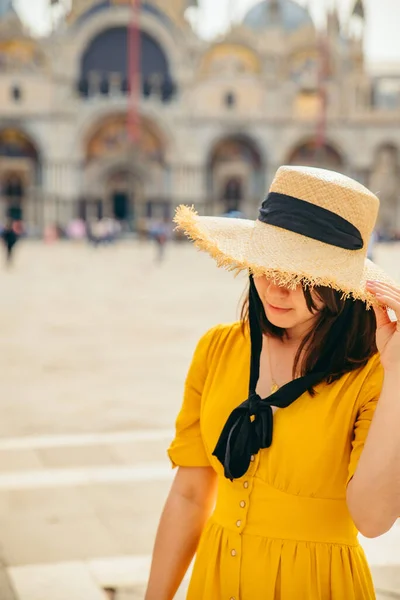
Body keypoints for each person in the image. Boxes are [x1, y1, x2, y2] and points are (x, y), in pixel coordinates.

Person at [145, 166, 400, 600]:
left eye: (303, 277)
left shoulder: (371, 377)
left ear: (339, 286)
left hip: (319, 585)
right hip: (215, 582)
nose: (278, 289)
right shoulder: (219, 348)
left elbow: (373, 520)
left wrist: (397, 374)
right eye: (268, 265)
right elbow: (190, 494)